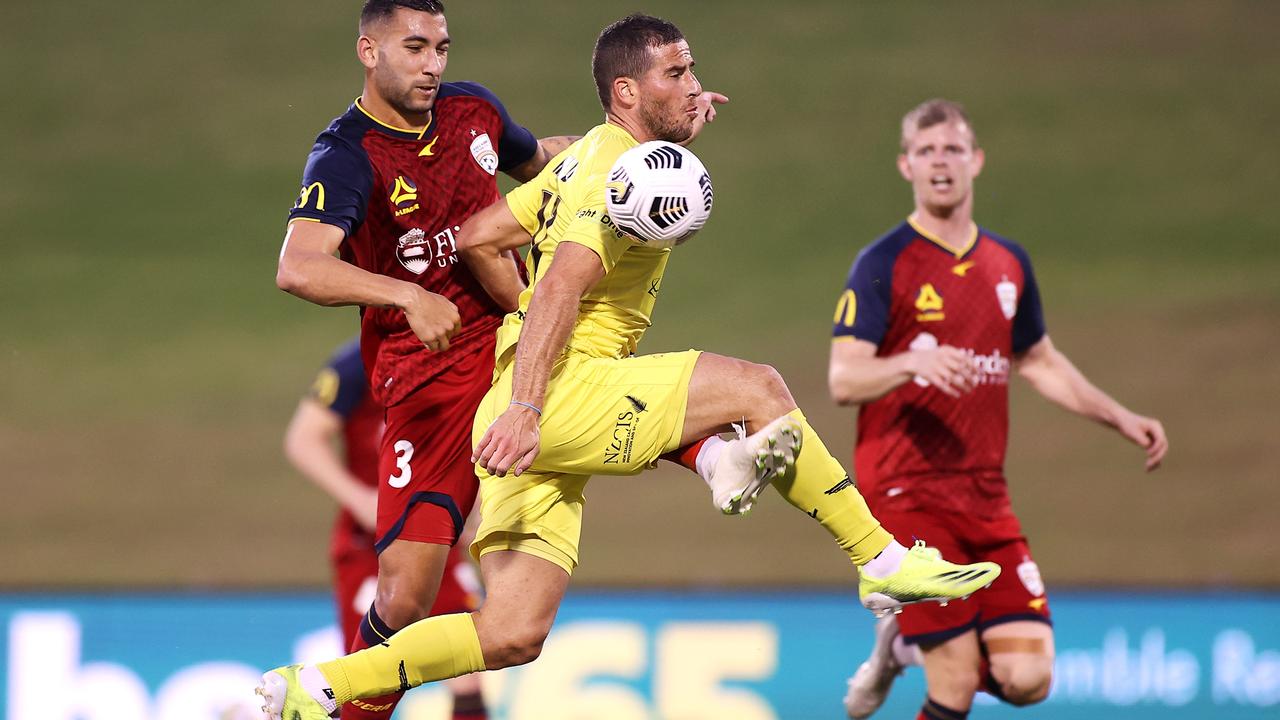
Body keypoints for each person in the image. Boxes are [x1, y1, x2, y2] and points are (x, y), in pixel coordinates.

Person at [256, 17, 1002, 719]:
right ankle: (876, 557)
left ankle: (318, 685)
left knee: (513, 631)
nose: (694, 84)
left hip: (532, 402)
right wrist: (525, 400)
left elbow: (478, 235)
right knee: (757, 387)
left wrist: (513, 337)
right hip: (556, 397)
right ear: (627, 91)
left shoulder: (586, 155)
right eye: (677, 73)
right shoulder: (614, 179)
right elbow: (559, 286)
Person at [271, 1, 581, 717]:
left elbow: (545, 164)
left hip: (514, 347)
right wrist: (406, 296)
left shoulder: (474, 111)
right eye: (415, 48)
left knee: (623, 403)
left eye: (441, 47)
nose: (433, 64)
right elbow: (298, 267)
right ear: (368, 51)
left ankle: (716, 450)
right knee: (405, 598)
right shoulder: (347, 154)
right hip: (427, 378)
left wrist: (640, 146)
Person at [830, 99, 1169, 720]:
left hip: (986, 496)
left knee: (1028, 677)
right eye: (927, 151)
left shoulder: (1007, 263)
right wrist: (911, 362)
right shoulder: (884, 263)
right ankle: (922, 650)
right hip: (906, 491)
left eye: (953, 149)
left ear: (976, 161)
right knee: (955, 683)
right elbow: (844, 378)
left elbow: (1037, 359)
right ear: (905, 165)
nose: (941, 162)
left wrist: (1122, 416)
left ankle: (901, 647)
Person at [284, 339, 489, 719]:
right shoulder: (359, 361)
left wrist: (474, 510)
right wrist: (360, 498)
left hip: (438, 542)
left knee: (468, 672)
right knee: (364, 676)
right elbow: (303, 438)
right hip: (370, 550)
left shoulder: (468, 354)